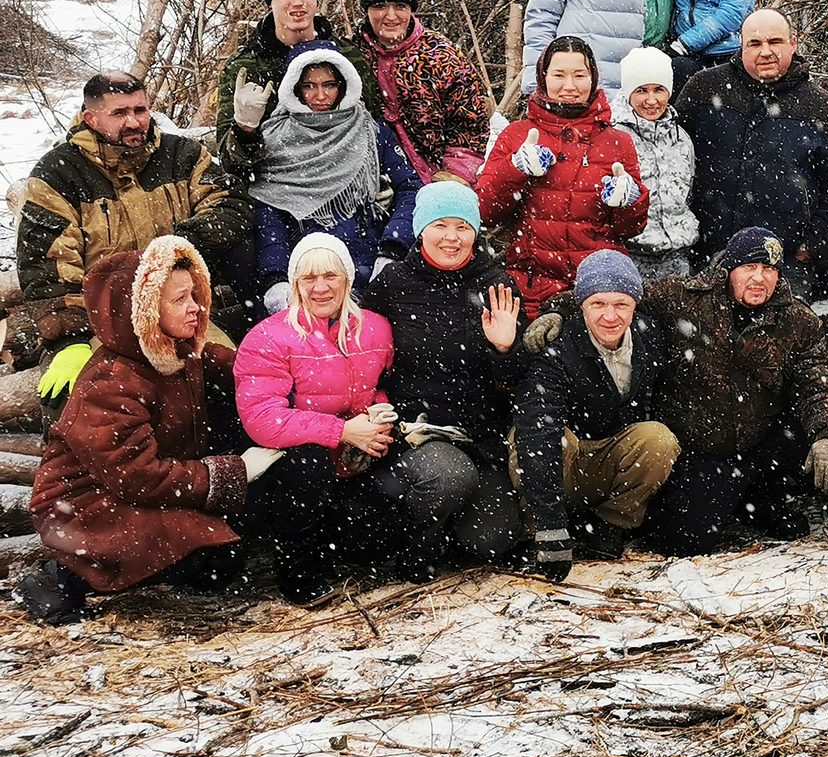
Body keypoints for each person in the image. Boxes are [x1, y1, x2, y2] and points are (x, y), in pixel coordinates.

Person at [19, 236, 278, 625]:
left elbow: (243, 369)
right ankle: (62, 578)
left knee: (218, 562)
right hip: (82, 505)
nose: (195, 308)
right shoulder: (111, 383)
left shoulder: (178, 351)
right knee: (205, 547)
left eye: (194, 294)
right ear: (142, 312)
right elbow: (136, 474)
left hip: (141, 483)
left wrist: (286, 375)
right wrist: (233, 472)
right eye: (179, 300)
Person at [10, 72, 250, 393]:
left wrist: (181, 245)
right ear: (90, 118)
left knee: (236, 383)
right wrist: (70, 339)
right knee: (88, 403)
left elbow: (230, 205)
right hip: (103, 324)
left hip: (180, 312)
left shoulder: (182, 155)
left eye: (140, 110)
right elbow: (45, 266)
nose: (135, 122)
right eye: (120, 113)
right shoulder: (58, 175)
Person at [637, 228, 828, 556]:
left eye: (768, 270)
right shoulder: (683, 297)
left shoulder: (798, 321)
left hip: (760, 440)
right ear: (729, 269)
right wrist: (559, 310)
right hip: (700, 445)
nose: (758, 278)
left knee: (805, 429)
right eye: (749, 268)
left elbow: (820, 380)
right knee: (683, 541)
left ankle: (762, 498)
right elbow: (615, 296)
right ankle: (732, 498)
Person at [360, 182, 526, 577]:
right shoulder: (391, 285)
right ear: (420, 229)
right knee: (449, 475)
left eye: (462, 227)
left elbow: (520, 379)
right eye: (440, 225)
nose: (451, 238)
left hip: (481, 437)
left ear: (476, 232)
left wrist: (505, 349)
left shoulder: (496, 284)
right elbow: (366, 364)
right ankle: (414, 548)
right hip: (416, 434)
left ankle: (449, 523)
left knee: (492, 540)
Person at [233, 233, 397, 603]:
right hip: (295, 467)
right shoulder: (268, 338)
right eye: (309, 278)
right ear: (295, 285)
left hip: (352, 462)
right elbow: (263, 418)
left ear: (348, 280)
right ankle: (299, 575)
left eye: (330, 276)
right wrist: (342, 431)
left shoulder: (376, 328)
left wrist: (376, 418)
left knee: (376, 530)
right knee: (305, 463)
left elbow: (382, 387)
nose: (320, 288)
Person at [515, 250, 682, 576]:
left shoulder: (650, 337)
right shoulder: (558, 345)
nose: (610, 316)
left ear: (635, 305)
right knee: (548, 439)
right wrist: (551, 528)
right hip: (562, 458)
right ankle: (536, 528)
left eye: (621, 304)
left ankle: (609, 524)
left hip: (608, 456)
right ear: (581, 306)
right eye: (598, 304)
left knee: (659, 440)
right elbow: (539, 431)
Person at [674, 8, 828, 295]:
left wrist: (812, 246)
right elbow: (670, 155)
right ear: (741, 44)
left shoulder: (818, 105)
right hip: (708, 255)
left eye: (775, 42)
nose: (766, 52)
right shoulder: (704, 88)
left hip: (783, 264)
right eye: (755, 43)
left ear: (793, 44)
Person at [477, 36, 649, 316]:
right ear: (543, 77)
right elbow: (485, 212)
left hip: (597, 289)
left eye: (579, 75)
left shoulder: (618, 142)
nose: (569, 86)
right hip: (530, 287)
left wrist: (629, 201)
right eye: (559, 75)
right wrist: (515, 169)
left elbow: (630, 229)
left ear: (593, 78)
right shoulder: (517, 135)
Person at [249, 42, 422, 309]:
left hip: (368, 263)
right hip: (308, 272)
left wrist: (392, 249)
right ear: (295, 88)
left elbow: (411, 189)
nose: (320, 95)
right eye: (309, 86)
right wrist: (276, 277)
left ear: (343, 84)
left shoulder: (371, 131)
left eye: (329, 84)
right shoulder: (277, 138)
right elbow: (269, 212)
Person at [217, 0, 377, 163]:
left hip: (344, 172)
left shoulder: (346, 57)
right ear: (270, 1)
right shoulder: (246, 66)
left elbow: (374, 127)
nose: (297, 2)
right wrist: (244, 129)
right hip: (273, 183)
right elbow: (229, 162)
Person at [354, 0, 492, 182]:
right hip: (373, 177)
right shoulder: (351, 56)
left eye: (400, 6)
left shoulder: (442, 56)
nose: (391, 16)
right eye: (380, 6)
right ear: (366, 10)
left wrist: (455, 174)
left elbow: (470, 124)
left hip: (436, 176)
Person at [611, 47, 700, 279]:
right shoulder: (613, 138)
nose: (652, 100)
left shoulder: (681, 138)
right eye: (642, 90)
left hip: (678, 258)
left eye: (659, 90)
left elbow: (688, 195)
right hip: (629, 257)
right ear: (628, 92)